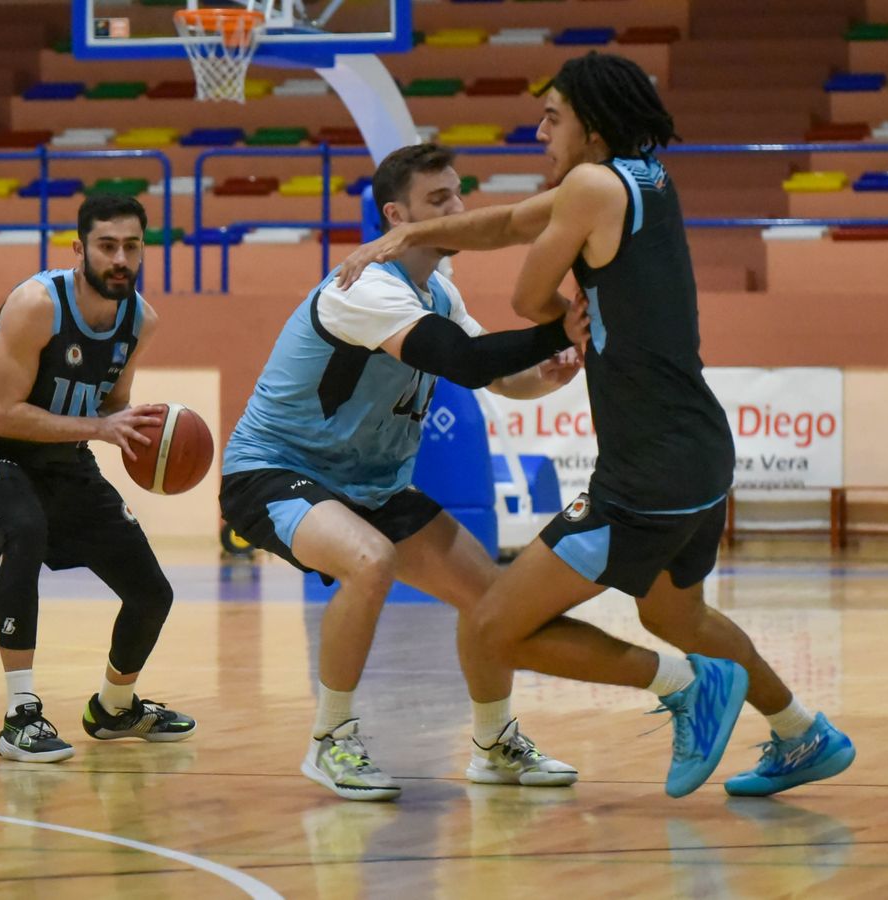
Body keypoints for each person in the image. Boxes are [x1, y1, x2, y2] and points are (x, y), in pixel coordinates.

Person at [337, 52, 855, 798]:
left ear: (593, 125)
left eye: (553, 117)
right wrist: (406, 240)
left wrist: (565, 318)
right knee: (679, 613)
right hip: (698, 452)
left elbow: (526, 292)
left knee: (491, 626)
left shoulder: (587, 185)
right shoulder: (644, 179)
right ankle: (802, 731)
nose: (540, 129)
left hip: (644, 467)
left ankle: (687, 688)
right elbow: (513, 220)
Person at [221, 143, 590, 801]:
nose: (456, 209)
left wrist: (548, 375)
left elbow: (498, 378)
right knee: (369, 561)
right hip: (275, 470)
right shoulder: (364, 286)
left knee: (492, 598)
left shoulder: (439, 290)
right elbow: (466, 361)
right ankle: (329, 741)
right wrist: (562, 328)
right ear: (397, 215)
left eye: (457, 195)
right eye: (438, 201)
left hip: (372, 485)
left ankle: (494, 743)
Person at [0, 194, 195, 763]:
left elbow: (114, 405)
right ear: (80, 250)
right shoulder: (36, 304)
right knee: (26, 531)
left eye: (132, 246)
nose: (121, 259)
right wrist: (98, 427)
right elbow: (2, 414)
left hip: (66, 461)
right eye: (107, 246)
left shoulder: (140, 319)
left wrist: (140, 434)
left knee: (152, 592)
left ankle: (115, 708)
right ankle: (20, 715)